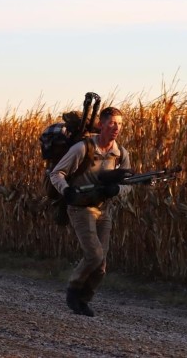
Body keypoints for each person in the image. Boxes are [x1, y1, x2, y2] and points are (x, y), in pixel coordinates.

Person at [50, 107, 132, 317]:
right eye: (112, 123)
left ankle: (83, 300)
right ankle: (73, 290)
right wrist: (66, 190)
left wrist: (118, 190)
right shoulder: (82, 148)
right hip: (80, 208)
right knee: (94, 255)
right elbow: (57, 173)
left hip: (104, 209)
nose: (116, 128)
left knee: (101, 265)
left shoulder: (121, 153)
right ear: (101, 124)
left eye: (120, 124)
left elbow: (129, 184)